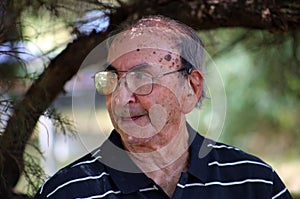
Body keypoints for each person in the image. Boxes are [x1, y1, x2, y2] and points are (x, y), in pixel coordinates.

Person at [34, 15, 293, 199]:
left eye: (142, 78)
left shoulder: (254, 183)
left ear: (191, 88)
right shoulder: (68, 192)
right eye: (113, 80)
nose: (122, 98)